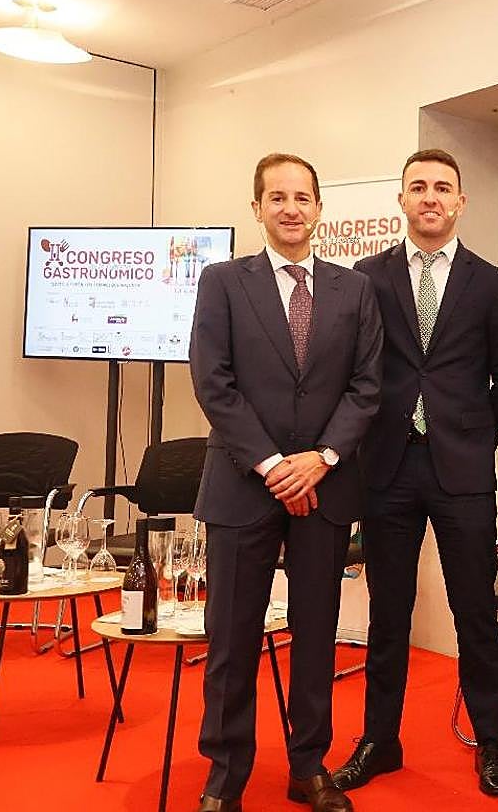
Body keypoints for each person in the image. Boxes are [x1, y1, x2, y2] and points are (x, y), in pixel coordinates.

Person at [189, 152, 383, 812]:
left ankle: (309, 766)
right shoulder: (222, 281)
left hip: (326, 487)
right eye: (277, 197)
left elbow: (366, 387)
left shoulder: (353, 290)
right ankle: (226, 773)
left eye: (302, 197)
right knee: (232, 637)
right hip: (244, 485)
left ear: (320, 208)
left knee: (315, 630)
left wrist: (321, 458)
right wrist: (275, 465)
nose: (291, 208)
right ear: (257, 209)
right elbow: (213, 383)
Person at [331, 149, 498, 798]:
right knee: (390, 613)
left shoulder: (491, 282)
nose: (431, 197)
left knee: (476, 613)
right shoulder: (367, 277)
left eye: (443, 187)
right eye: (419, 187)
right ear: (402, 200)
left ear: (461, 201)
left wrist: (474, 436)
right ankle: (379, 742)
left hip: (462, 471)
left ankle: (491, 742)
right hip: (386, 469)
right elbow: (357, 374)